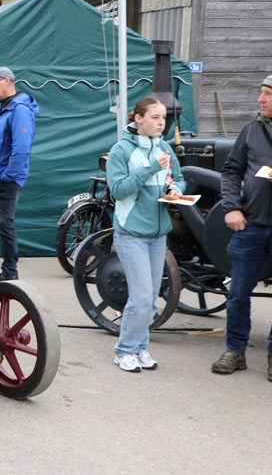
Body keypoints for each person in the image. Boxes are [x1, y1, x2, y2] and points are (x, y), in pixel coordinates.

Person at [106, 96, 184, 372]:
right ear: (138, 119)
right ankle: (124, 350)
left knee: (150, 299)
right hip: (131, 234)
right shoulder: (121, 151)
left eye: (163, 117)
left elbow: (176, 176)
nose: (161, 122)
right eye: (155, 117)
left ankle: (140, 349)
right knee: (140, 298)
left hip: (157, 233)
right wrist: (151, 168)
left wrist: (175, 190)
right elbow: (118, 190)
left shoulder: (164, 147)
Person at [211, 75, 272, 380]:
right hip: (252, 226)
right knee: (238, 293)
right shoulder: (252, 129)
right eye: (261, 93)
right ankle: (235, 350)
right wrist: (232, 206)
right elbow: (231, 171)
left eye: (267, 94)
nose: (260, 100)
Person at [0, 67, 38, 286]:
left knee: (6, 224)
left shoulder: (19, 108)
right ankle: (8, 270)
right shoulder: (6, 107)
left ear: (8, 81)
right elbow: (6, 142)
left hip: (6, 179)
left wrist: (8, 176)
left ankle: (10, 272)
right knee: (4, 224)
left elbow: (21, 148)